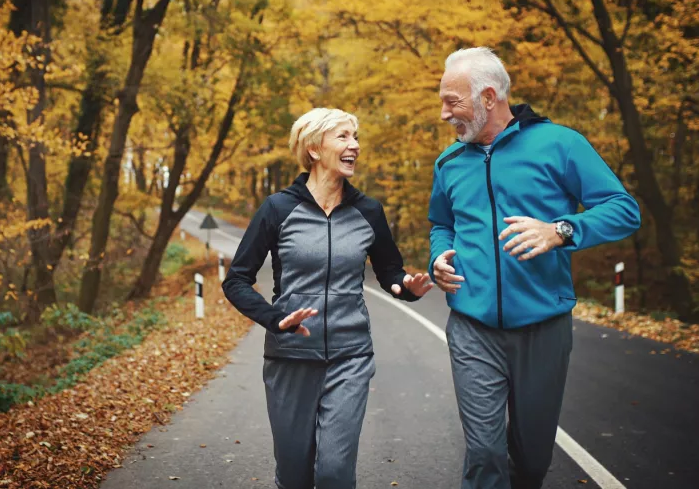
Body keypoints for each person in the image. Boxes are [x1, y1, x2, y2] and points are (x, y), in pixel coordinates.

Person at [428, 47, 641, 489]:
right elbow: (441, 223)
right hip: (472, 326)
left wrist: (561, 230)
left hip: (543, 326)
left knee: (531, 460)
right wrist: (438, 256)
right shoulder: (448, 162)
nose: (444, 112)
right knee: (485, 454)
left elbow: (623, 209)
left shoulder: (560, 144)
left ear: (489, 97)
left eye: (453, 101)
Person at [222, 107, 433, 489]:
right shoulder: (278, 209)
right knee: (294, 476)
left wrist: (407, 287)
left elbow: (390, 271)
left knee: (335, 472)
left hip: (350, 356)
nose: (355, 145)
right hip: (290, 357)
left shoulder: (368, 211)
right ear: (315, 149)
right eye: (343, 137)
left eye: (356, 137)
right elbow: (236, 280)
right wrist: (274, 319)